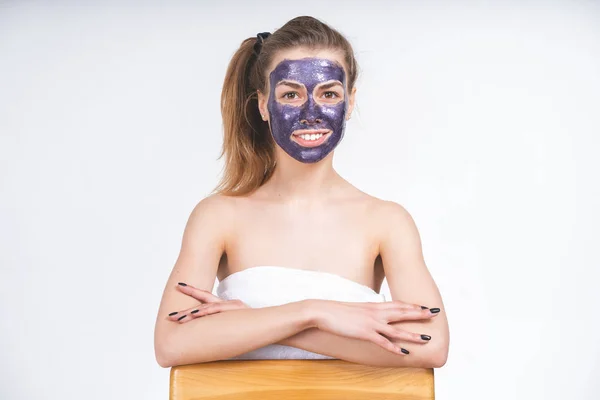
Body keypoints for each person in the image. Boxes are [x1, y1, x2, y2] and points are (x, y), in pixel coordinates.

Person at [153, 15, 449, 368]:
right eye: (291, 94)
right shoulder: (218, 216)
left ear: (350, 102)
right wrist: (313, 312)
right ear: (263, 104)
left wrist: (262, 322)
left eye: (329, 94)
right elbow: (172, 343)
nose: (311, 113)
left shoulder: (386, 221)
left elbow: (429, 348)